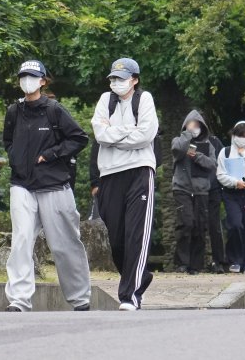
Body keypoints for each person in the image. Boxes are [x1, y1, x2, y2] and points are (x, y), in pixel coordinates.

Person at [2, 60, 91, 312]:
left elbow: (79, 138)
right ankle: (19, 300)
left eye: (32, 76)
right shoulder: (13, 111)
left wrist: (50, 154)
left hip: (54, 185)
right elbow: (8, 141)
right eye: (23, 76)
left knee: (64, 244)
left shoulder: (54, 110)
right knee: (21, 240)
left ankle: (80, 298)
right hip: (22, 185)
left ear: (43, 81)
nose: (26, 81)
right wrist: (17, 158)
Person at [92, 58, 159, 311]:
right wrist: (128, 131)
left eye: (121, 78)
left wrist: (114, 135)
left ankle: (130, 295)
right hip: (110, 173)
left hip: (140, 170)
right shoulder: (105, 100)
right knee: (116, 240)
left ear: (134, 80)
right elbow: (100, 134)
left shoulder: (144, 99)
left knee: (136, 235)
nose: (116, 83)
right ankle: (141, 276)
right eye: (113, 78)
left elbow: (146, 135)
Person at [170, 110, 217, 274]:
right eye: (192, 124)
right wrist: (187, 134)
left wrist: (197, 156)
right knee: (186, 223)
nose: (195, 127)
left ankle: (196, 265)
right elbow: (177, 150)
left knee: (200, 226)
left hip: (201, 191)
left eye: (197, 125)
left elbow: (212, 164)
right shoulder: (178, 140)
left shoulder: (208, 145)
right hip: (182, 189)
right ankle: (181, 263)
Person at [216, 121, 245, 275]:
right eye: (238, 135)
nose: (241, 139)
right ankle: (235, 260)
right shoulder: (225, 152)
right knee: (235, 224)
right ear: (233, 135)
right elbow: (220, 175)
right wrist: (235, 182)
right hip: (231, 193)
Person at [205, 130, 227, 274]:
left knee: (215, 225)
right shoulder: (186, 141)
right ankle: (192, 263)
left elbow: (223, 162)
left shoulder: (214, 141)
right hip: (193, 189)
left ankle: (218, 261)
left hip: (213, 188)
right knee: (194, 224)